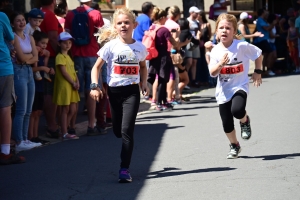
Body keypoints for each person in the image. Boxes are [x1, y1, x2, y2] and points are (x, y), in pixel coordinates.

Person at [90, 7, 148, 183]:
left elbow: (143, 67)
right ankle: (119, 134)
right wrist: (94, 85)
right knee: (117, 130)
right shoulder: (111, 46)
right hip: (114, 93)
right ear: (115, 27)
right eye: (120, 23)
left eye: (127, 22)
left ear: (134, 25)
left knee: (126, 131)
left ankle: (124, 168)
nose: (123, 26)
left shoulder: (139, 47)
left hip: (132, 92)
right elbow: (96, 67)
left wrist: (143, 82)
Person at [208, 13, 263, 159]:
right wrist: (220, 64)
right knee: (227, 123)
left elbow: (258, 55)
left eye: (228, 28)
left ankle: (245, 120)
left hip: (240, 86)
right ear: (216, 32)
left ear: (234, 32)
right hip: (223, 91)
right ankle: (235, 145)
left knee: (237, 110)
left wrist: (257, 71)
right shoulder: (215, 51)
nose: (224, 30)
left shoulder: (241, 46)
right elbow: (212, 73)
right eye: (221, 28)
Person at [65, 0, 105, 136]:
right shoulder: (95, 13)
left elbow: (67, 35)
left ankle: (71, 125)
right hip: (92, 54)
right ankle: (91, 125)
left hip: (76, 54)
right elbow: (103, 36)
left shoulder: (70, 14)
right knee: (92, 90)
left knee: (75, 89)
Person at [10, 12, 41, 151]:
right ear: (12, 24)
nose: (22, 23)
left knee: (28, 109)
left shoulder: (30, 37)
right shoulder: (14, 37)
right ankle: (18, 141)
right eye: (18, 21)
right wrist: (28, 58)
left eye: (23, 20)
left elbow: (36, 58)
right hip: (18, 72)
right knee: (21, 109)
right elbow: (22, 58)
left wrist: (26, 58)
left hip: (28, 71)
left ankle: (25, 139)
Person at [0, 11, 26, 165]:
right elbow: (11, 37)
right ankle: (5, 151)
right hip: (3, 67)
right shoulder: (2, 16)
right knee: (5, 107)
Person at [148, 7, 183, 111]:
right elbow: (175, 43)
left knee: (158, 79)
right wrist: (178, 35)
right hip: (164, 57)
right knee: (164, 80)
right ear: (162, 17)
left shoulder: (152, 27)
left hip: (154, 56)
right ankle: (161, 102)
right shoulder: (164, 30)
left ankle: (159, 101)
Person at [40, 0, 64, 138]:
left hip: (43, 56)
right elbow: (53, 38)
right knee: (50, 91)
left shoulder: (40, 12)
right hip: (51, 57)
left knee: (46, 91)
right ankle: (52, 125)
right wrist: (62, 56)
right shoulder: (49, 15)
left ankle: (51, 123)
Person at [53, 32, 80, 140]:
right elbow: (64, 72)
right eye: (65, 43)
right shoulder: (60, 57)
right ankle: (64, 132)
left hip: (72, 85)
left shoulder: (68, 56)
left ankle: (64, 127)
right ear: (59, 44)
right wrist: (73, 82)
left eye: (69, 42)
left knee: (73, 109)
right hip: (65, 85)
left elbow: (73, 71)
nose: (68, 45)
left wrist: (77, 81)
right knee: (65, 109)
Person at [28, 31, 53, 145]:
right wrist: (42, 68)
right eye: (42, 43)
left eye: (45, 44)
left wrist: (47, 64)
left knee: (38, 111)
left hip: (40, 84)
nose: (44, 46)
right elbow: (32, 69)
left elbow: (45, 67)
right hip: (33, 84)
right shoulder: (33, 54)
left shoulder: (43, 54)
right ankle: (30, 136)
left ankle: (36, 135)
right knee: (33, 112)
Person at [24, 8, 52, 82]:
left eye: (39, 21)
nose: (37, 23)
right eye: (35, 20)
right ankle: (36, 71)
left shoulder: (38, 29)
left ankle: (45, 70)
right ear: (29, 19)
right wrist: (35, 47)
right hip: (29, 48)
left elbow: (40, 40)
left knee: (47, 53)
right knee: (36, 51)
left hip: (36, 47)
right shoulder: (27, 27)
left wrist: (42, 49)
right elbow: (25, 40)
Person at [253, 9, 277, 76]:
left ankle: (264, 70)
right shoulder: (260, 20)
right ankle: (268, 69)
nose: (267, 12)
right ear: (263, 12)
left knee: (266, 54)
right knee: (270, 52)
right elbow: (266, 28)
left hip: (265, 39)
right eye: (266, 11)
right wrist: (273, 24)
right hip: (263, 39)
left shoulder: (263, 20)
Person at [186, 6, 201, 88]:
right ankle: (185, 78)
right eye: (196, 13)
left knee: (194, 62)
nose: (197, 14)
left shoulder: (197, 22)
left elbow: (199, 31)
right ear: (191, 12)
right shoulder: (187, 21)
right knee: (189, 61)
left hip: (196, 42)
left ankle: (193, 79)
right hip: (189, 42)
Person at [197, 9, 212, 86]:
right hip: (199, 44)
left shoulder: (207, 24)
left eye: (198, 14)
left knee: (206, 61)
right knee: (200, 62)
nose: (197, 16)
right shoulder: (197, 24)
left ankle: (207, 79)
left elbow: (209, 34)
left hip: (205, 44)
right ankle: (199, 79)